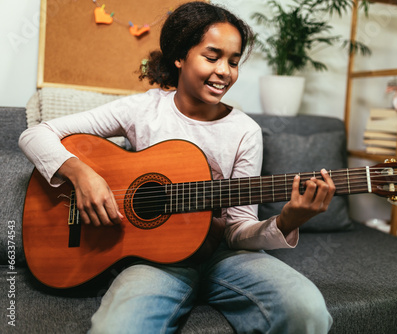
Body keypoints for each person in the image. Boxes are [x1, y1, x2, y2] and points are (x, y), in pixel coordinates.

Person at [19, 2, 335, 333]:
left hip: (224, 259)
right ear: (180, 57)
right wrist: (82, 175)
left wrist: (286, 221)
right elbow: (36, 134)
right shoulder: (143, 109)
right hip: (153, 262)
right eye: (212, 57)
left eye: (234, 61)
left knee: (306, 309)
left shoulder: (245, 131)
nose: (225, 71)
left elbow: (239, 228)